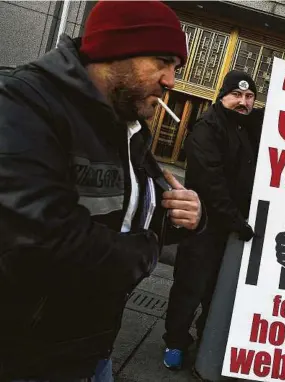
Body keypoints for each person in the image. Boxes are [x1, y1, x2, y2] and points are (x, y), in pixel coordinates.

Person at [0, 1, 206, 380]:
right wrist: (146, 252)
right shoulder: (24, 103)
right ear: (116, 49)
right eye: (162, 61)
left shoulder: (129, 125)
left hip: (91, 343)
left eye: (176, 68)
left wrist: (186, 214)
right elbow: (40, 236)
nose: (171, 81)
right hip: (25, 352)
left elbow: (134, 211)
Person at [162, 59, 285, 370]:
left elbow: (281, 114)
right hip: (204, 227)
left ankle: (207, 341)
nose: (243, 102)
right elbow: (211, 184)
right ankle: (174, 342)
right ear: (222, 96)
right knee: (190, 287)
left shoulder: (248, 124)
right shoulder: (206, 128)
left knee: (219, 291)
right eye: (237, 96)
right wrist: (237, 221)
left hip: (234, 227)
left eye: (250, 96)